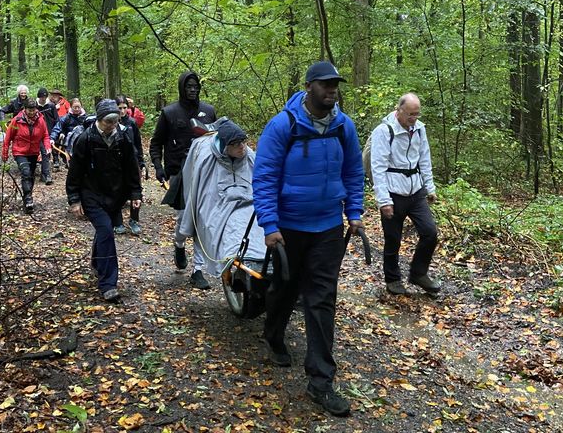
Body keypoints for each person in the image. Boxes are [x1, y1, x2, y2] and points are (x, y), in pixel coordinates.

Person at [252, 61, 364, 417]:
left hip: (329, 226)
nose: (332, 90)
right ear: (309, 86)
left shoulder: (344, 127)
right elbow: (265, 176)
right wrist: (270, 225)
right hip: (290, 226)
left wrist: (355, 213)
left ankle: (321, 381)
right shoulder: (282, 125)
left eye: (335, 86)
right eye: (326, 85)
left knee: (321, 300)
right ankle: (273, 334)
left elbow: (353, 171)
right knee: (284, 288)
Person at [66, 99, 142, 302]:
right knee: (106, 230)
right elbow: (74, 173)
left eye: (115, 121)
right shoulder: (85, 139)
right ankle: (108, 284)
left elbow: (131, 168)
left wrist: (136, 194)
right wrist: (74, 200)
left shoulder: (123, 138)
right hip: (91, 195)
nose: (112, 125)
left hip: (115, 195)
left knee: (104, 232)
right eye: (108, 121)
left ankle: (97, 263)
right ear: (99, 120)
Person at [149, 71, 216, 284]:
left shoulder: (209, 111)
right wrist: (159, 168)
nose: (192, 90)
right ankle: (179, 245)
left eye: (196, 86)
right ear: (181, 88)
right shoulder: (169, 113)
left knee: (200, 219)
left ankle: (198, 269)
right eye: (188, 86)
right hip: (178, 174)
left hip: (204, 173)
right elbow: (156, 143)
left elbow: (217, 142)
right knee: (183, 218)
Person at [370, 93, 440, 296]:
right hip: (393, 192)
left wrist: (430, 187)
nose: (413, 119)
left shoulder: (419, 129)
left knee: (430, 232)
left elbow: (424, 159)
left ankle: (419, 274)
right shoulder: (383, 131)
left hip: (416, 190)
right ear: (398, 110)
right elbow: (378, 167)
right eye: (410, 114)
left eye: (417, 114)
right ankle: (393, 280)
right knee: (393, 239)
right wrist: (384, 200)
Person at [179, 119, 264, 284]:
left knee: (256, 229)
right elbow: (199, 192)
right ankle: (182, 248)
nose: (242, 147)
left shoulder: (250, 157)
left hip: (247, 204)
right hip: (218, 205)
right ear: (226, 147)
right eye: (236, 144)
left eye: (243, 142)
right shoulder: (206, 159)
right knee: (215, 228)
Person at [2, 99, 51, 213]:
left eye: (33, 110)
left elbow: (45, 135)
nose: (32, 112)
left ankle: (27, 198)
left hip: (33, 152)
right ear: (25, 109)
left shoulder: (40, 120)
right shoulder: (17, 120)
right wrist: (4, 154)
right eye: (29, 110)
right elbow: (8, 138)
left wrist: (47, 146)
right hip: (20, 152)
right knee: (26, 173)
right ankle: (29, 199)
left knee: (31, 175)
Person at [112, 95, 145, 236]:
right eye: (120, 108)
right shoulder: (111, 123)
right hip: (116, 163)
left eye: (125, 108)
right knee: (116, 191)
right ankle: (118, 222)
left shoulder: (132, 123)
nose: (123, 111)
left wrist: (141, 161)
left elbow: (138, 143)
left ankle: (134, 220)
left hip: (133, 161)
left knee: (135, 190)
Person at [50, 98, 87, 168]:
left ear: (81, 107)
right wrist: (52, 138)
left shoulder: (86, 118)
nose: (76, 109)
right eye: (74, 107)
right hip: (68, 144)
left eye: (78, 107)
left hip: (82, 143)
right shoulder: (66, 118)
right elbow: (57, 128)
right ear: (71, 107)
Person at [35, 87, 58, 184]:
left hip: (48, 133)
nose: (43, 99)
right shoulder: (34, 107)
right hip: (36, 134)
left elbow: (56, 119)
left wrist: (56, 132)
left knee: (46, 153)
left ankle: (46, 175)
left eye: (45, 97)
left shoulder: (51, 106)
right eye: (41, 97)